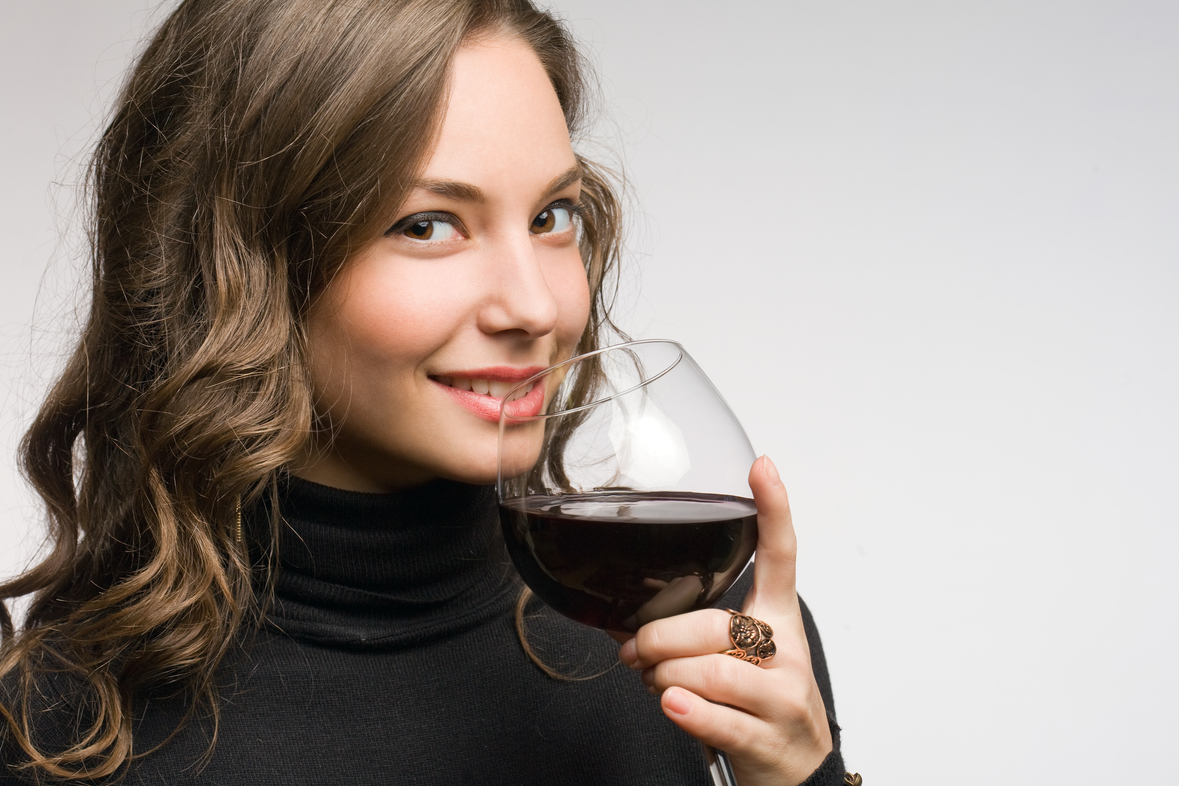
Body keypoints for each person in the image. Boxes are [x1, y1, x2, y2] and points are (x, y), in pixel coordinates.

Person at [0, 1, 853, 783]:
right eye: (428, 225)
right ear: (243, 264)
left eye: (552, 215)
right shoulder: (56, 722)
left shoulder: (712, 638)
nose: (535, 306)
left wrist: (799, 774)